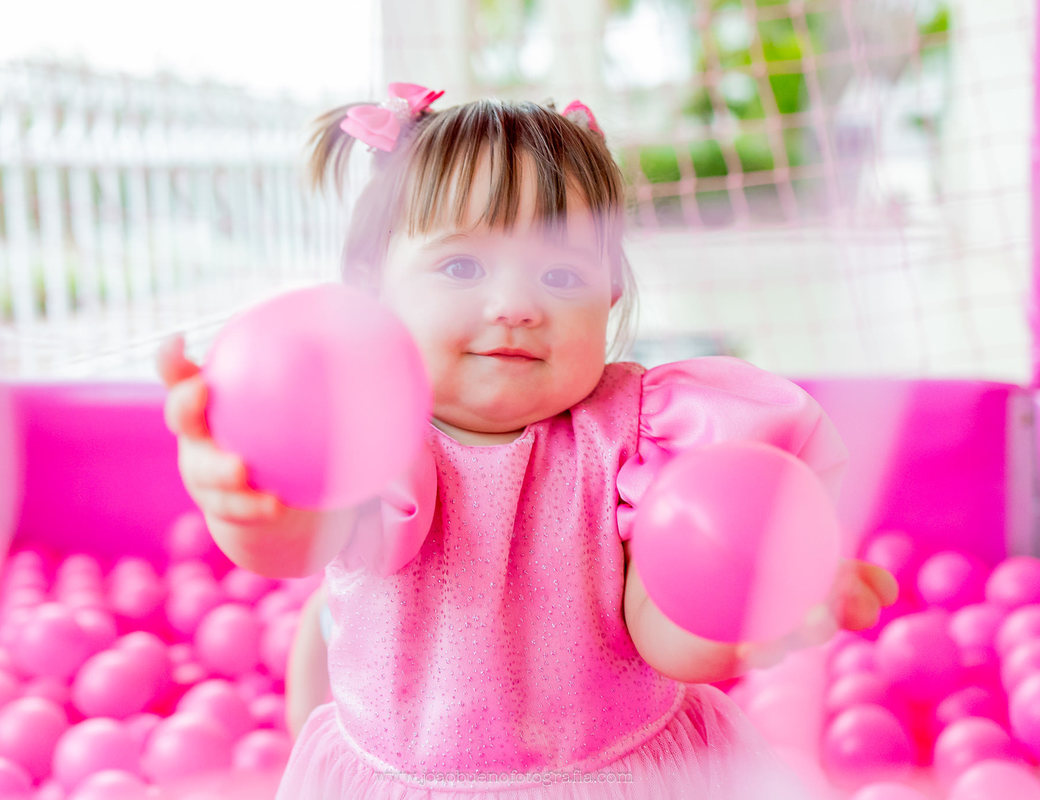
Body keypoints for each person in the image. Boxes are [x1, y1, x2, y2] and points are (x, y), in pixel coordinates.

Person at [157, 84, 898, 799]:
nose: (516, 306)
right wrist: (246, 507)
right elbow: (301, 541)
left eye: (559, 272)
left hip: (619, 772)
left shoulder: (639, 438)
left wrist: (737, 609)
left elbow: (663, 636)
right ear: (371, 288)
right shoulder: (368, 432)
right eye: (462, 266)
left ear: (608, 296)